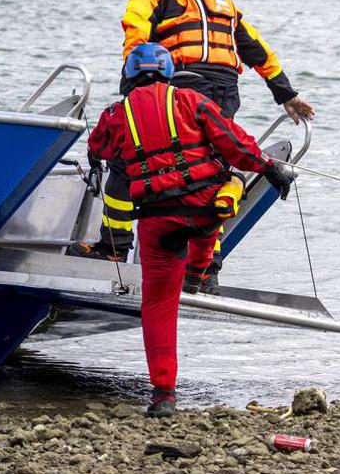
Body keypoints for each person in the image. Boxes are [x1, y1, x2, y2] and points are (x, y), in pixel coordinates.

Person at [80, 0, 314, 290]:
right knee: (213, 175)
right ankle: (207, 270)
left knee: (123, 160)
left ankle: (113, 247)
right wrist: (286, 94)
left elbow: (135, 30)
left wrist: (132, 88)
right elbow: (256, 48)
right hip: (225, 92)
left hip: (183, 86)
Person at [87, 43, 296, 417]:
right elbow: (235, 144)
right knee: (220, 199)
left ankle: (164, 396)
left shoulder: (116, 114)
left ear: (128, 76)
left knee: (157, 306)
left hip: (158, 220)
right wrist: (270, 169)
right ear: (168, 72)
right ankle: (198, 274)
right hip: (203, 210)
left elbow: (98, 146)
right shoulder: (191, 101)